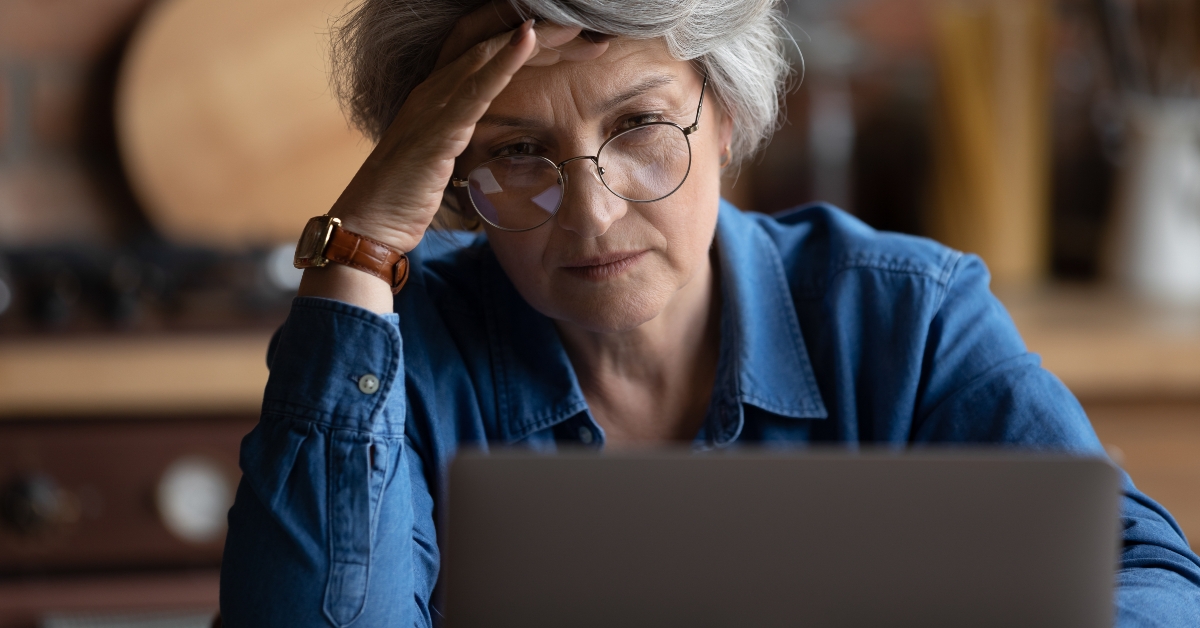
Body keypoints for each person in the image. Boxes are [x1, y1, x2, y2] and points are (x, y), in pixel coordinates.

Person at [219, 0, 1200, 625]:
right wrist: (364, 242)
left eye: (640, 126)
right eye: (517, 153)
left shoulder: (908, 317)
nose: (593, 211)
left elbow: (1150, 577)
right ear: (458, 181)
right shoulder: (401, 353)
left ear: (725, 118)